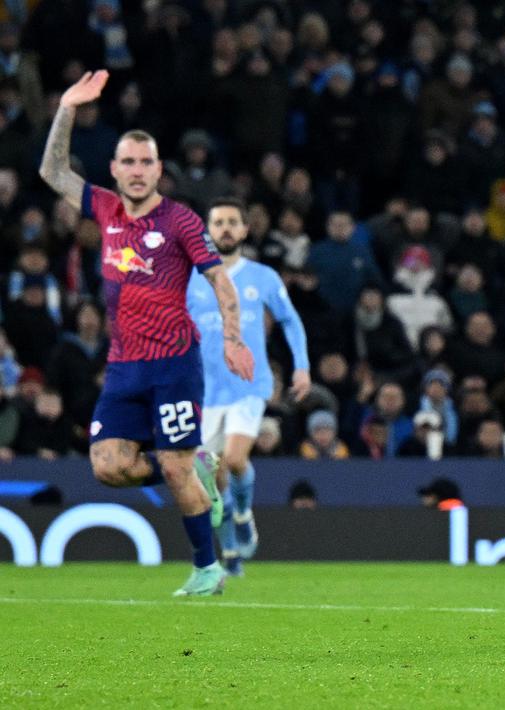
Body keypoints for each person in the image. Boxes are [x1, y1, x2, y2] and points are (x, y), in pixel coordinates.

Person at [39, 70, 255, 597]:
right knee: (108, 466)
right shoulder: (106, 208)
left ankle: (208, 568)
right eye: (128, 162)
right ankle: (196, 462)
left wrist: (232, 338)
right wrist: (67, 106)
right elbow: (51, 170)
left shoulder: (180, 221)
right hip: (123, 366)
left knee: (175, 467)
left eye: (146, 162)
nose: (137, 171)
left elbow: (221, 281)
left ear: (159, 170)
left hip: (174, 363)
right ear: (114, 169)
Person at [187, 197, 310, 577]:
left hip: (248, 386)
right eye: (218, 222)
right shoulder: (190, 279)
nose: (225, 228)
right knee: (211, 480)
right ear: (208, 231)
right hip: (205, 394)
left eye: (232, 222)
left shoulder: (262, 277)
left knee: (235, 459)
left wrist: (301, 367)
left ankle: (243, 516)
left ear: (244, 230)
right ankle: (232, 552)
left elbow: (290, 320)